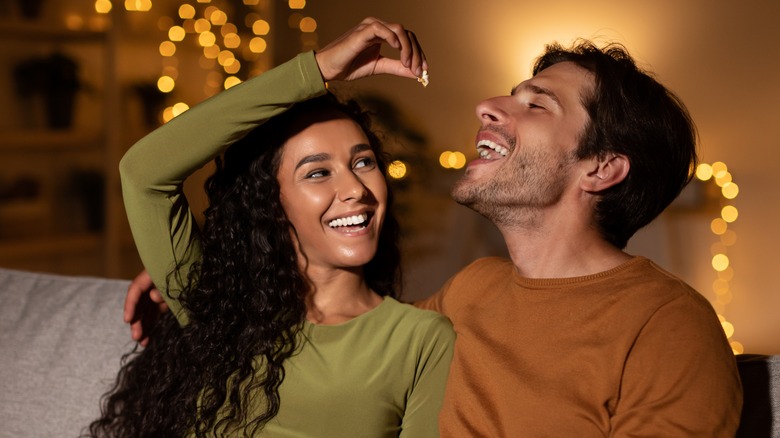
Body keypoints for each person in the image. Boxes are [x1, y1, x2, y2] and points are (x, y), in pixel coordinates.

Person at [123, 22, 743, 437]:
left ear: (602, 168)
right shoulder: (468, 294)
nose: (488, 107)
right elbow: (336, 348)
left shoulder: (668, 326)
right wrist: (224, 269)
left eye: (536, 104)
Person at [90, 18, 454, 437]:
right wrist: (315, 71)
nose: (355, 188)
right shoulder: (220, 307)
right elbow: (143, 173)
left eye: (363, 162)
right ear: (271, 203)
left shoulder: (420, 340)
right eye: (318, 173)